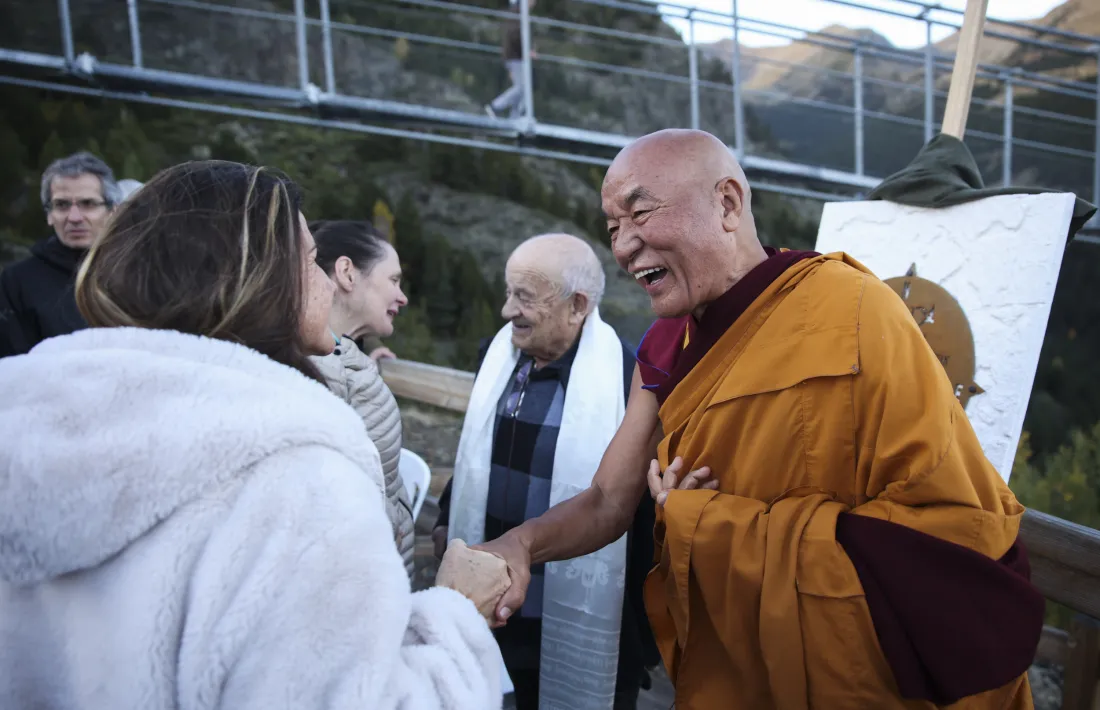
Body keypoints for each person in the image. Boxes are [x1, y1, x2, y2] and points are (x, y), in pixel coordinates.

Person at [475, 130, 1045, 709]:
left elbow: (948, 534)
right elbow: (607, 500)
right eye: (612, 226)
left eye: (639, 212)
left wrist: (707, 521)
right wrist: (520, 544)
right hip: (727, 661)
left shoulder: (855, 313)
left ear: (727, 202)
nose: (622, 247)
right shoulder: (666, 345)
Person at [0, 160, 508, 709]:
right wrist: (457, 612)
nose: (322, 282)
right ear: (258, 281)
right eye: (311, 260)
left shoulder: (23, 415)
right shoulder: (299, 480)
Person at [434, 233, 658, 710]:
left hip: (574, 614)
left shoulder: (628, 381)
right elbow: (476, 454)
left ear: (577, 305)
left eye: (524, 297)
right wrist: (446, 517)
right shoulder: (496, 357)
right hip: (488, 607)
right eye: (508, 292)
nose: (505, 310)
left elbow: (635, 513)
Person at [310, 220, 416, 578]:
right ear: (346, 273)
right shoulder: (314, 372)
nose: (402, 297)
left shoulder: (344, 363)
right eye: (393, 280)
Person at [0, 151, 121, 357]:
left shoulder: (138, 274)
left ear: (113, 211)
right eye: (62, 205)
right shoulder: (16, 283)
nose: (74, 217)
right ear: (49, 214)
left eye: (88, 204)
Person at [485, 0, 536, 119]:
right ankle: (495, 106)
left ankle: (515, 116)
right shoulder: (518, 13)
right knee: (522, 87)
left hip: (515, 56)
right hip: (516, 56)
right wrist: (527, 50)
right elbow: (515, 36)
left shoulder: (518, 12)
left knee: (523, 87)